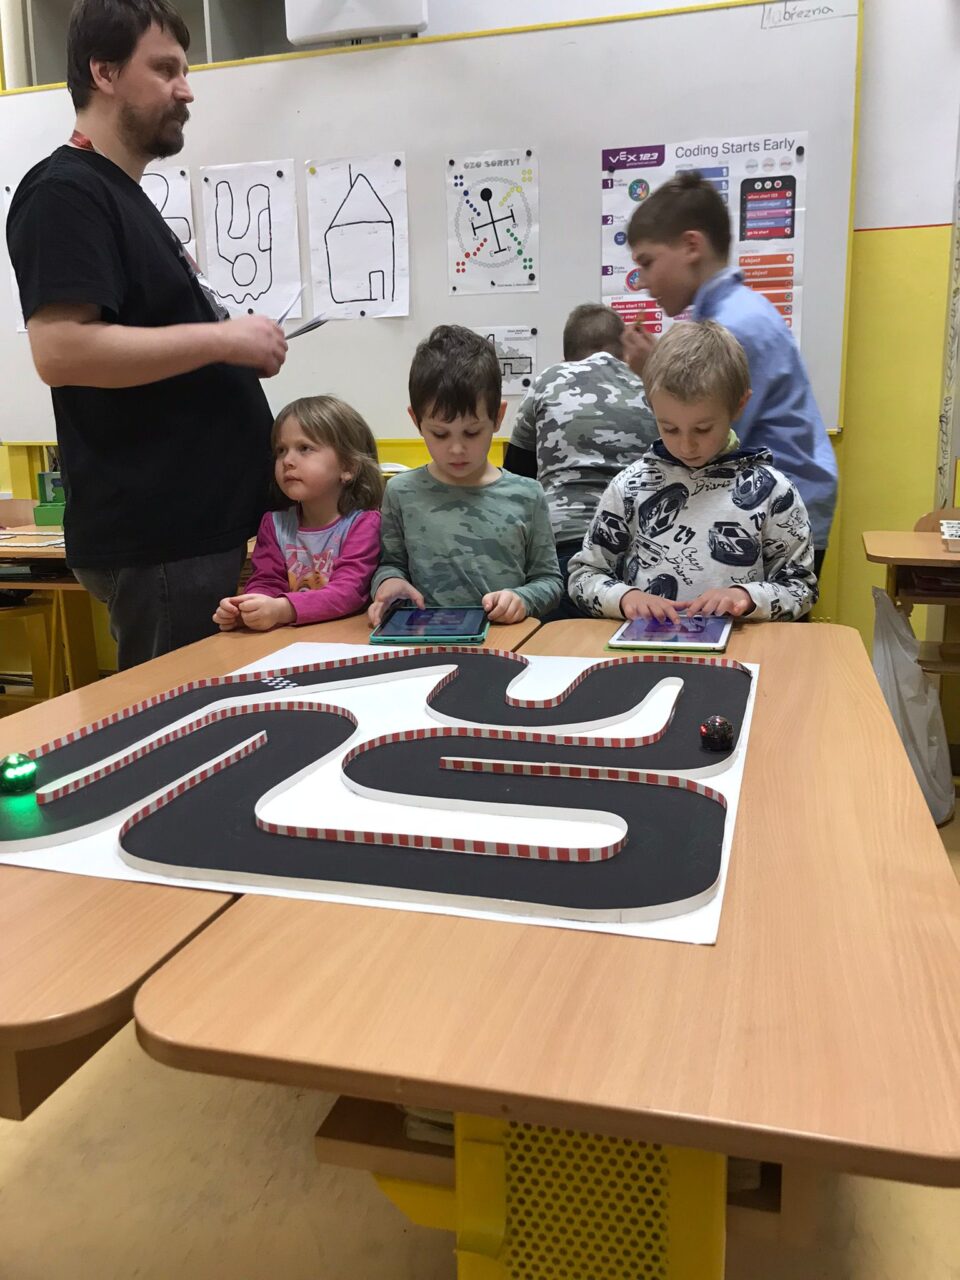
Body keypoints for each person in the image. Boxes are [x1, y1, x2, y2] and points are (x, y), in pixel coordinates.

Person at [6, 0, 288, 669]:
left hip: (193, 540)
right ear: (103, 73)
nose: (186, 90)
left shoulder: (121, 193)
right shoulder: (64, 193)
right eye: (165, 70)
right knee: (181, 724)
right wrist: (224, 342)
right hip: (163, 545)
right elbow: (62, 350)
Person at [622, 170, 836, 577]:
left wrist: (653, 373)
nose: (643, 283)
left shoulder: (735, 325)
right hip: (769, 503)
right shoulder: (736, 311)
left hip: (776, 514)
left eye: (647, 263)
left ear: (691, 246)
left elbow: (708, 442)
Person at [568, 321, 818, 623]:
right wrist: (624, 598)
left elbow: (801, 587)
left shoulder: (772, 492)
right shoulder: (630, 487)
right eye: (669, 428)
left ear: (739, 405)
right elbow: (584, 576)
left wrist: (747, 597)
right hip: (649, 646)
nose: (686, 446)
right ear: (651, 407)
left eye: (703, 429)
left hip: (741, 645)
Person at [368, 325, 562, 626]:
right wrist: (388, 583)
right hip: (427, 639)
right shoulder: (400, 492)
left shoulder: (527, 494)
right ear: (416, 421)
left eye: (472, 432)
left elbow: (549, 581)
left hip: (503, 639)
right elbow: (391, 565)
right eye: (440, 434)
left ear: (498, 417)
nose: (456, 449)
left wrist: (522, 599)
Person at [503, 303, 658, 613]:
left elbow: (516, 478)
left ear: (566, 359)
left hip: (562, 549)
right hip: (637, 555)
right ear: (624, 353)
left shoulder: (548, 380)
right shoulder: (649, 383)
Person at [214, 397, 382, 632]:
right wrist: (249, 607)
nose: (287, 461)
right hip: (293, 638)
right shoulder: (274, 524)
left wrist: (281, 609)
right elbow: (266, 581)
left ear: (348, 467)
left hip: (347, 637)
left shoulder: (364, 523)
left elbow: (348, 592)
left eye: (304, 448)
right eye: (281, 450)